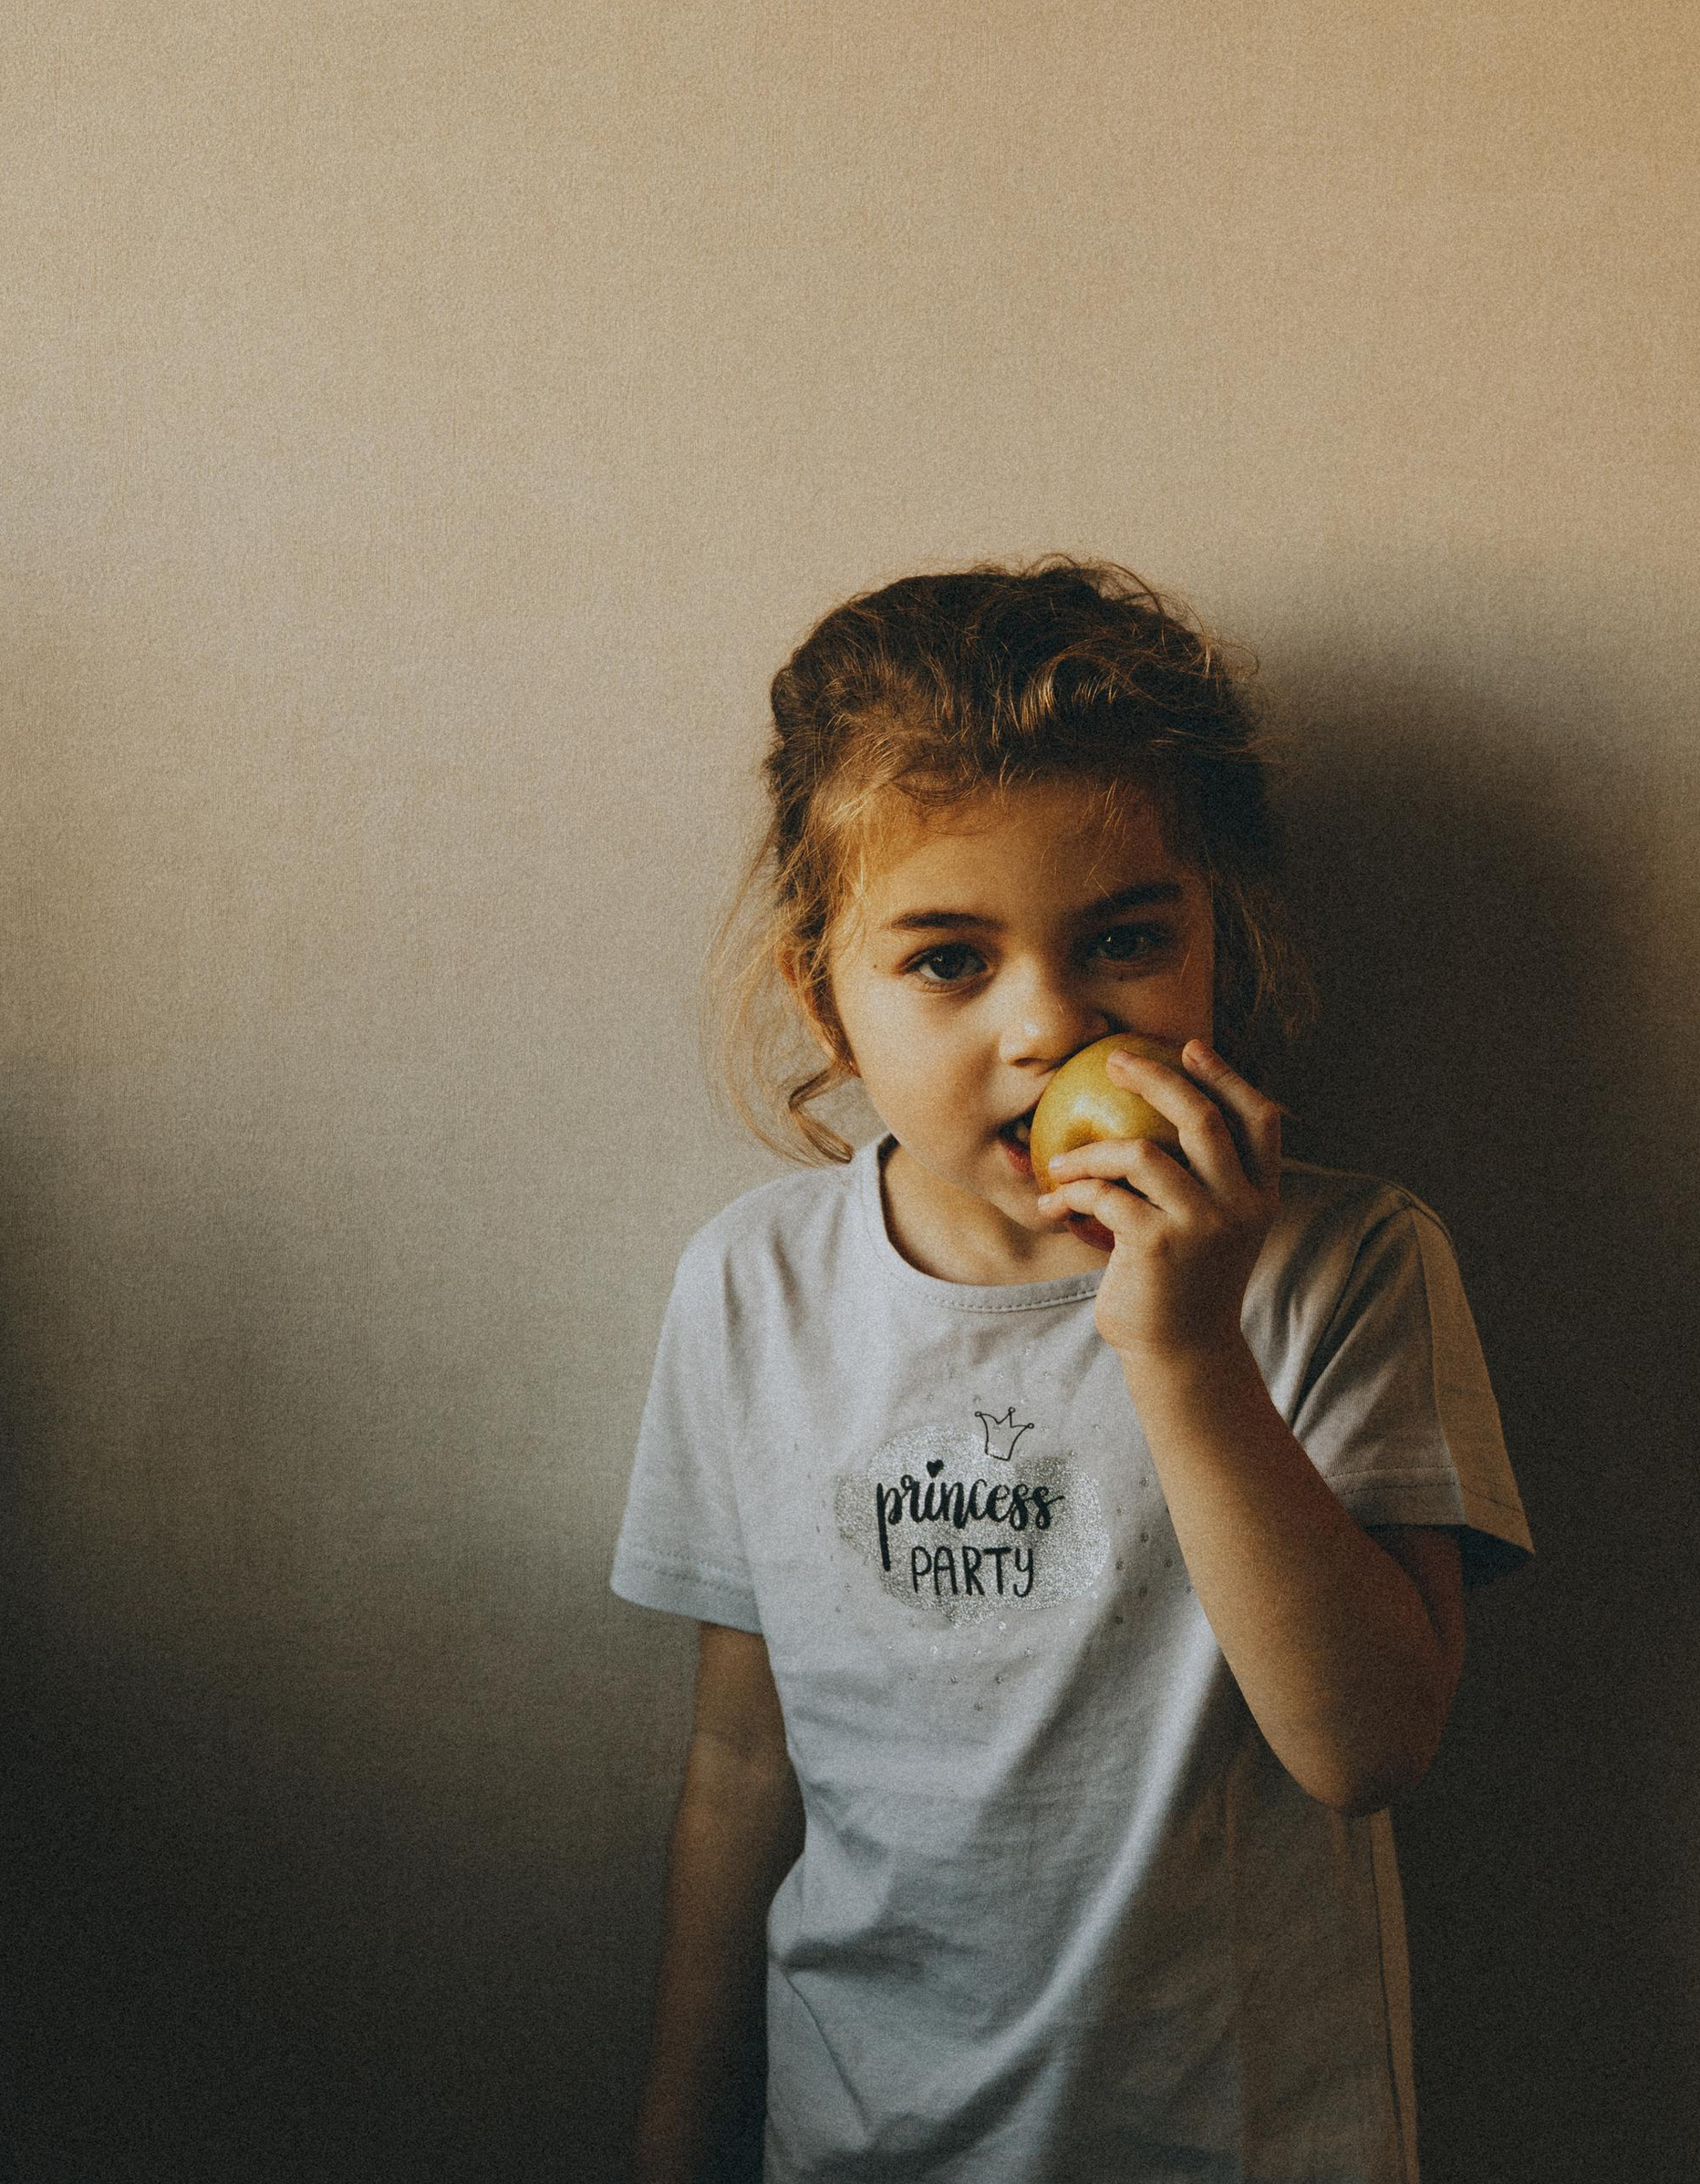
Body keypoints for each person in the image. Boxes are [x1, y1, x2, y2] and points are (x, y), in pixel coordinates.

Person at [612, 558, 1532, 2184]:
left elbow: (1369, 1746)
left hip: (1243, 2143)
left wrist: (1181, 1347)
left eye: (1119, 938)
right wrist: (678, 2140)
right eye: (948, 960)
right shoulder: (756, 1287)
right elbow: (743, 1760)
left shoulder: (1348, 1265)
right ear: (821, 990)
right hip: (858, 2138)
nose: (1046, 1025)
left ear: (1213, 952)